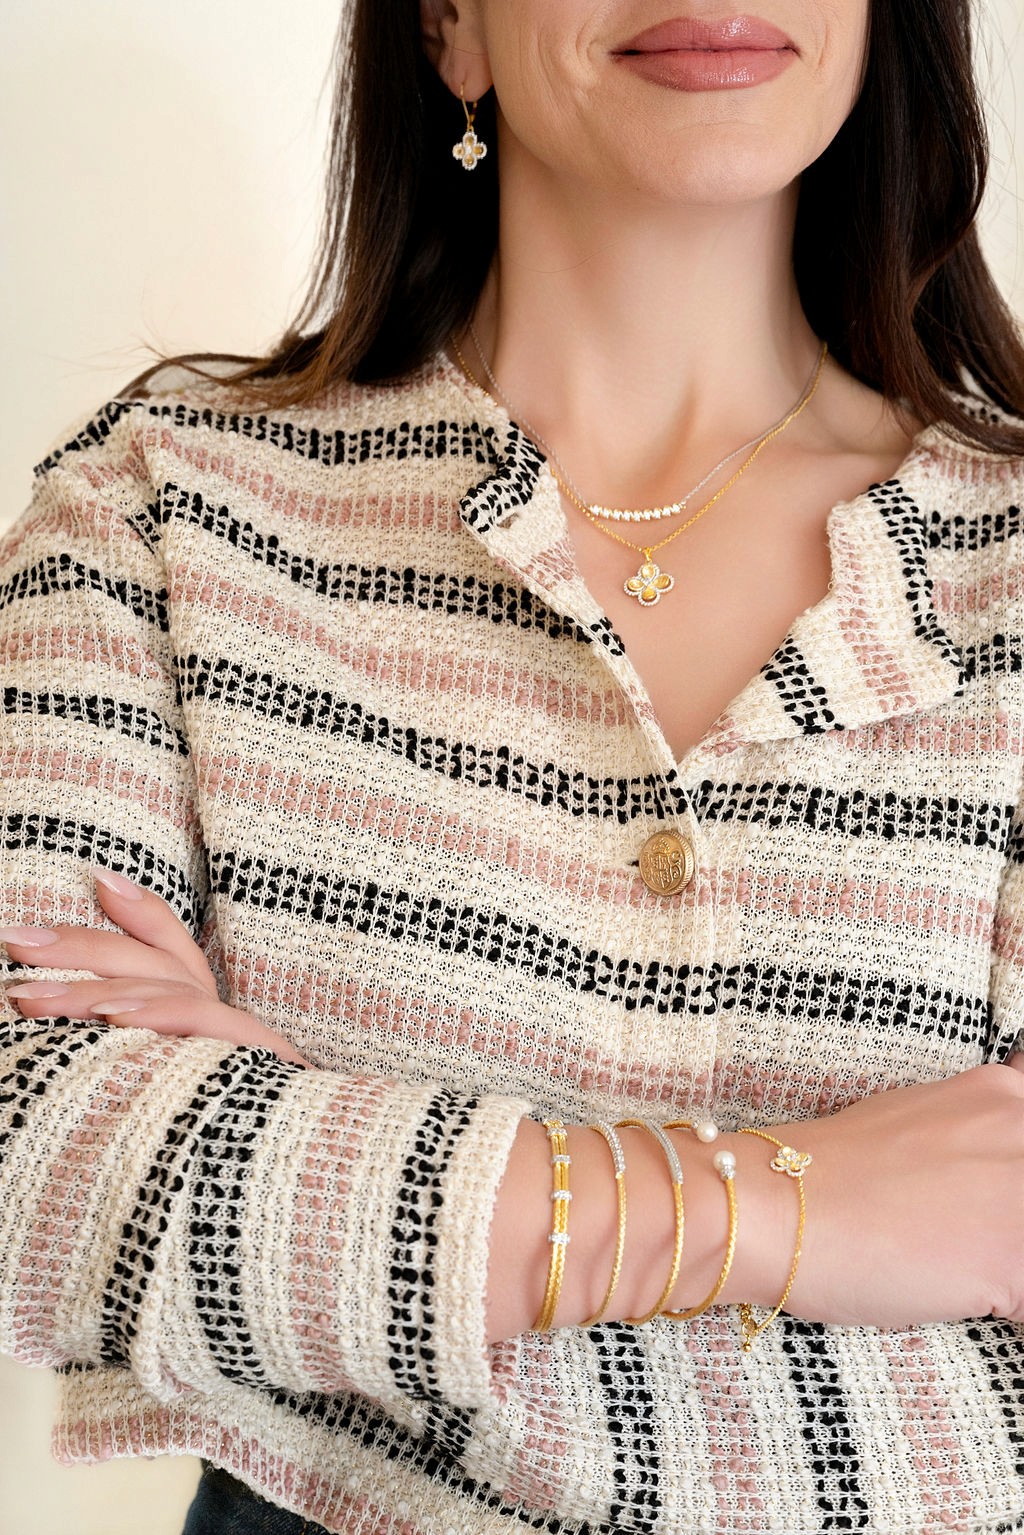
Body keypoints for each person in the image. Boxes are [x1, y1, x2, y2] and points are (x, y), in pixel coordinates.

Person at [2, 1, 1024, 1531]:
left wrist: (331, 1186)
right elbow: (42, 1159)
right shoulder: (165, 506)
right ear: (451, 25)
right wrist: (809, 1207)